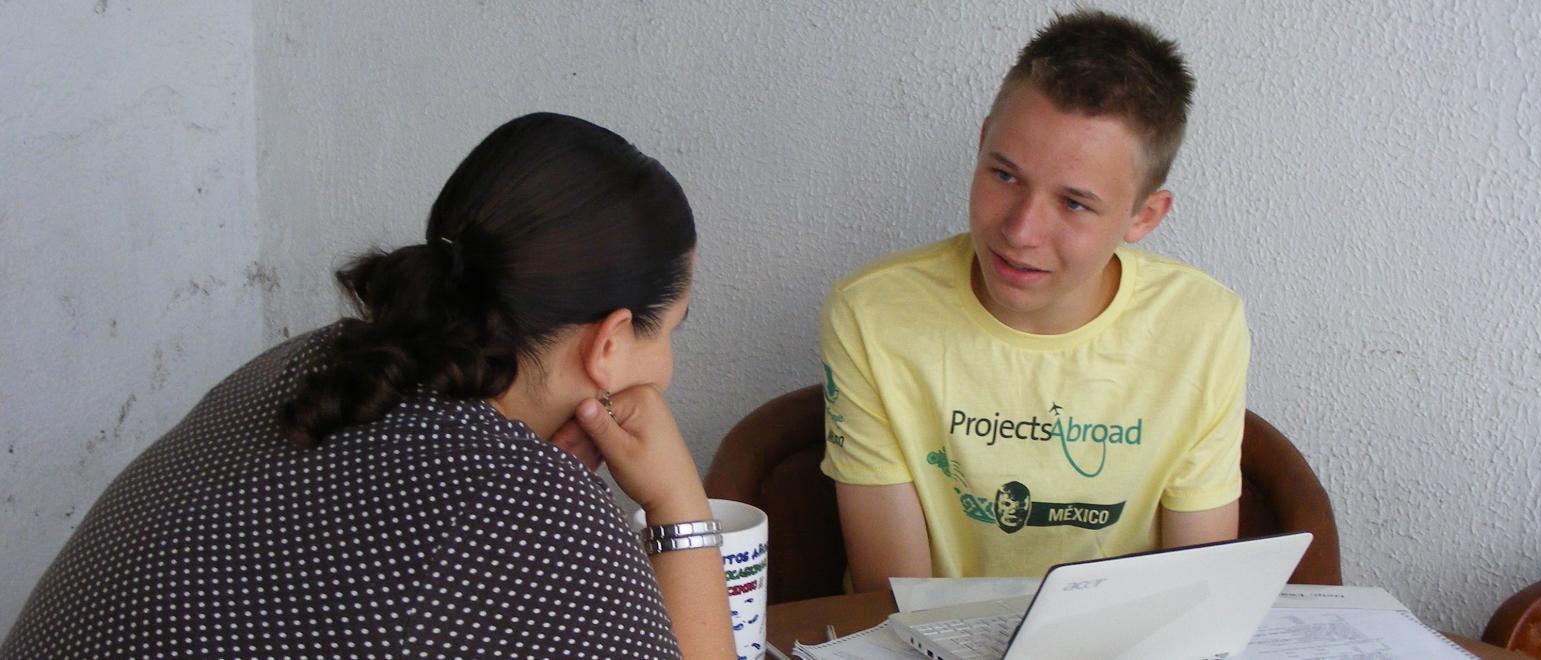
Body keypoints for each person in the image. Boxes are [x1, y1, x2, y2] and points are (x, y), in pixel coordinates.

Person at [1, 113, 735, 658]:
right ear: (608, 344)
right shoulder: (522, 508)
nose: (665, 365)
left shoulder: (319, 363)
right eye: (670, 329)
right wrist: (678, 504)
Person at [820, 10, 1248, 592]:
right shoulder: (872, 313)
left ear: (1143, 217)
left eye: (1073, 203)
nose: (1021, 230)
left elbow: (1195, 587)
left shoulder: (1203, 325)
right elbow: (892, 595)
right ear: (981, 143)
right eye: (1004, 175)